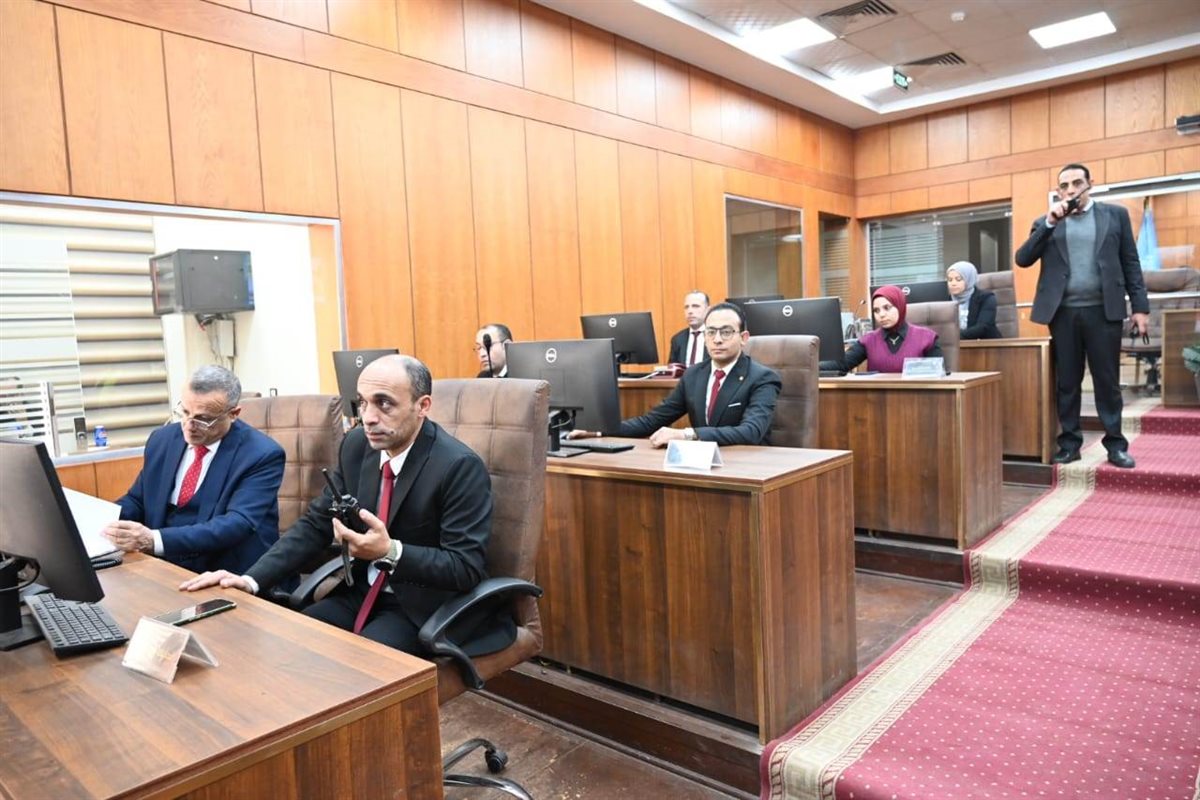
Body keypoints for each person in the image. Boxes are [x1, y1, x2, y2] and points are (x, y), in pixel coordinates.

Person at [180, 355, 510, 656]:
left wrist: (391, 551)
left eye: (384, 404)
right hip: (360, 591)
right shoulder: (357, 446)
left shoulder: (458, 466)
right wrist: (251, 580)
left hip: (421, 606)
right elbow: (316, 524)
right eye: (362, 403)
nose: (368, 418)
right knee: (292, 647)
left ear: (422, 406)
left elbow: (465, 567)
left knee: (358, 668)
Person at [1015, 162, 1148, 469]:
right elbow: (1023, 259)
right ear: (1058, 190)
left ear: (1090, 184)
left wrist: (1140, 307)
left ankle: (1115, 445)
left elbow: (1131, 262)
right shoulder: (1045, 222)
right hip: (1063, 314)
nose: (1071, 190)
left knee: (1107, 381)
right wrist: (1049, 223)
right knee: (1068, 382)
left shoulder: (1115, 215)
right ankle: (1070, 444)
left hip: (1104, 311)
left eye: (1077, 183)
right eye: (1064, 185)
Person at [103, 365, 285, 575]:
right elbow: (138, 500)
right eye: (185, 412)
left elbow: (236, 524)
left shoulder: (261, 454)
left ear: (234, 414)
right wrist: (99, 521)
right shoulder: (162, 440)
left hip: (224, 571)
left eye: (203, 419)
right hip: (163, 565)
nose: (189, 425)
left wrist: (154, 540)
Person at [569, 302, 781, 447]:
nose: (717, 339)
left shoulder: (762, 378)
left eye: (726, 332)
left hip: (748, 465)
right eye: (711, 332)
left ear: (743, 338)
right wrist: (600, 430)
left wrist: (686, 434)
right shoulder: (694, 375)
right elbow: (651, 421)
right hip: (705, 465)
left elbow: (750, 432)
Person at [820, 286, 943, 374]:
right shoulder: (868, 340)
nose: (881, 315)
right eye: (876, 310)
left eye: (887, 308)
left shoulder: (927, 338)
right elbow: (842, 364)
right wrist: (812, 367)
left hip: (916, 400)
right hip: (877, 401)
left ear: (900, 306)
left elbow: (940, 377)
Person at [947, 261, 1001, 340]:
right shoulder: (946, 301)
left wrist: (952, 337)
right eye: (950, 280)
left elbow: (983, 327)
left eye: (958, 279)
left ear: (969, 279)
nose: (953, 283)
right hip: (956, 344)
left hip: (986, 344)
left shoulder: (986, 298)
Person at [667, 290, 710, 366]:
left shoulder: (714, 336)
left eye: (695, 306)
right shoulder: (677, 339)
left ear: (707, 310)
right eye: (686, 307)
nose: (690, 311)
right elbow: (672, 368)